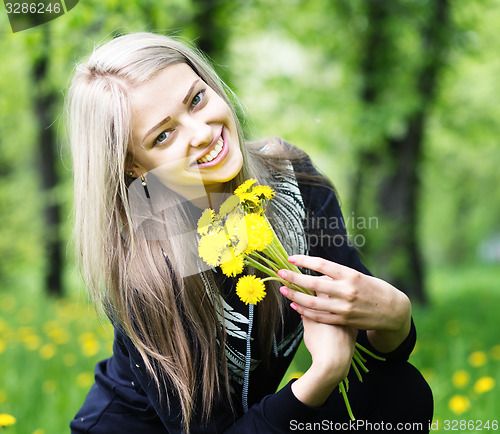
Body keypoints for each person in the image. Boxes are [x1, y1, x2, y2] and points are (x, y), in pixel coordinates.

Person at [67, 32, 433, 433]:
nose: (202, 132)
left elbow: (373, 363)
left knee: (402, 393)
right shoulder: (147, 267)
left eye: (196, 99)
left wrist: (396, 319)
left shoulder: (294, 184)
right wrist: (319, 377)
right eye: (163, 135)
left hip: (251, 420)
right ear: (133, 166)